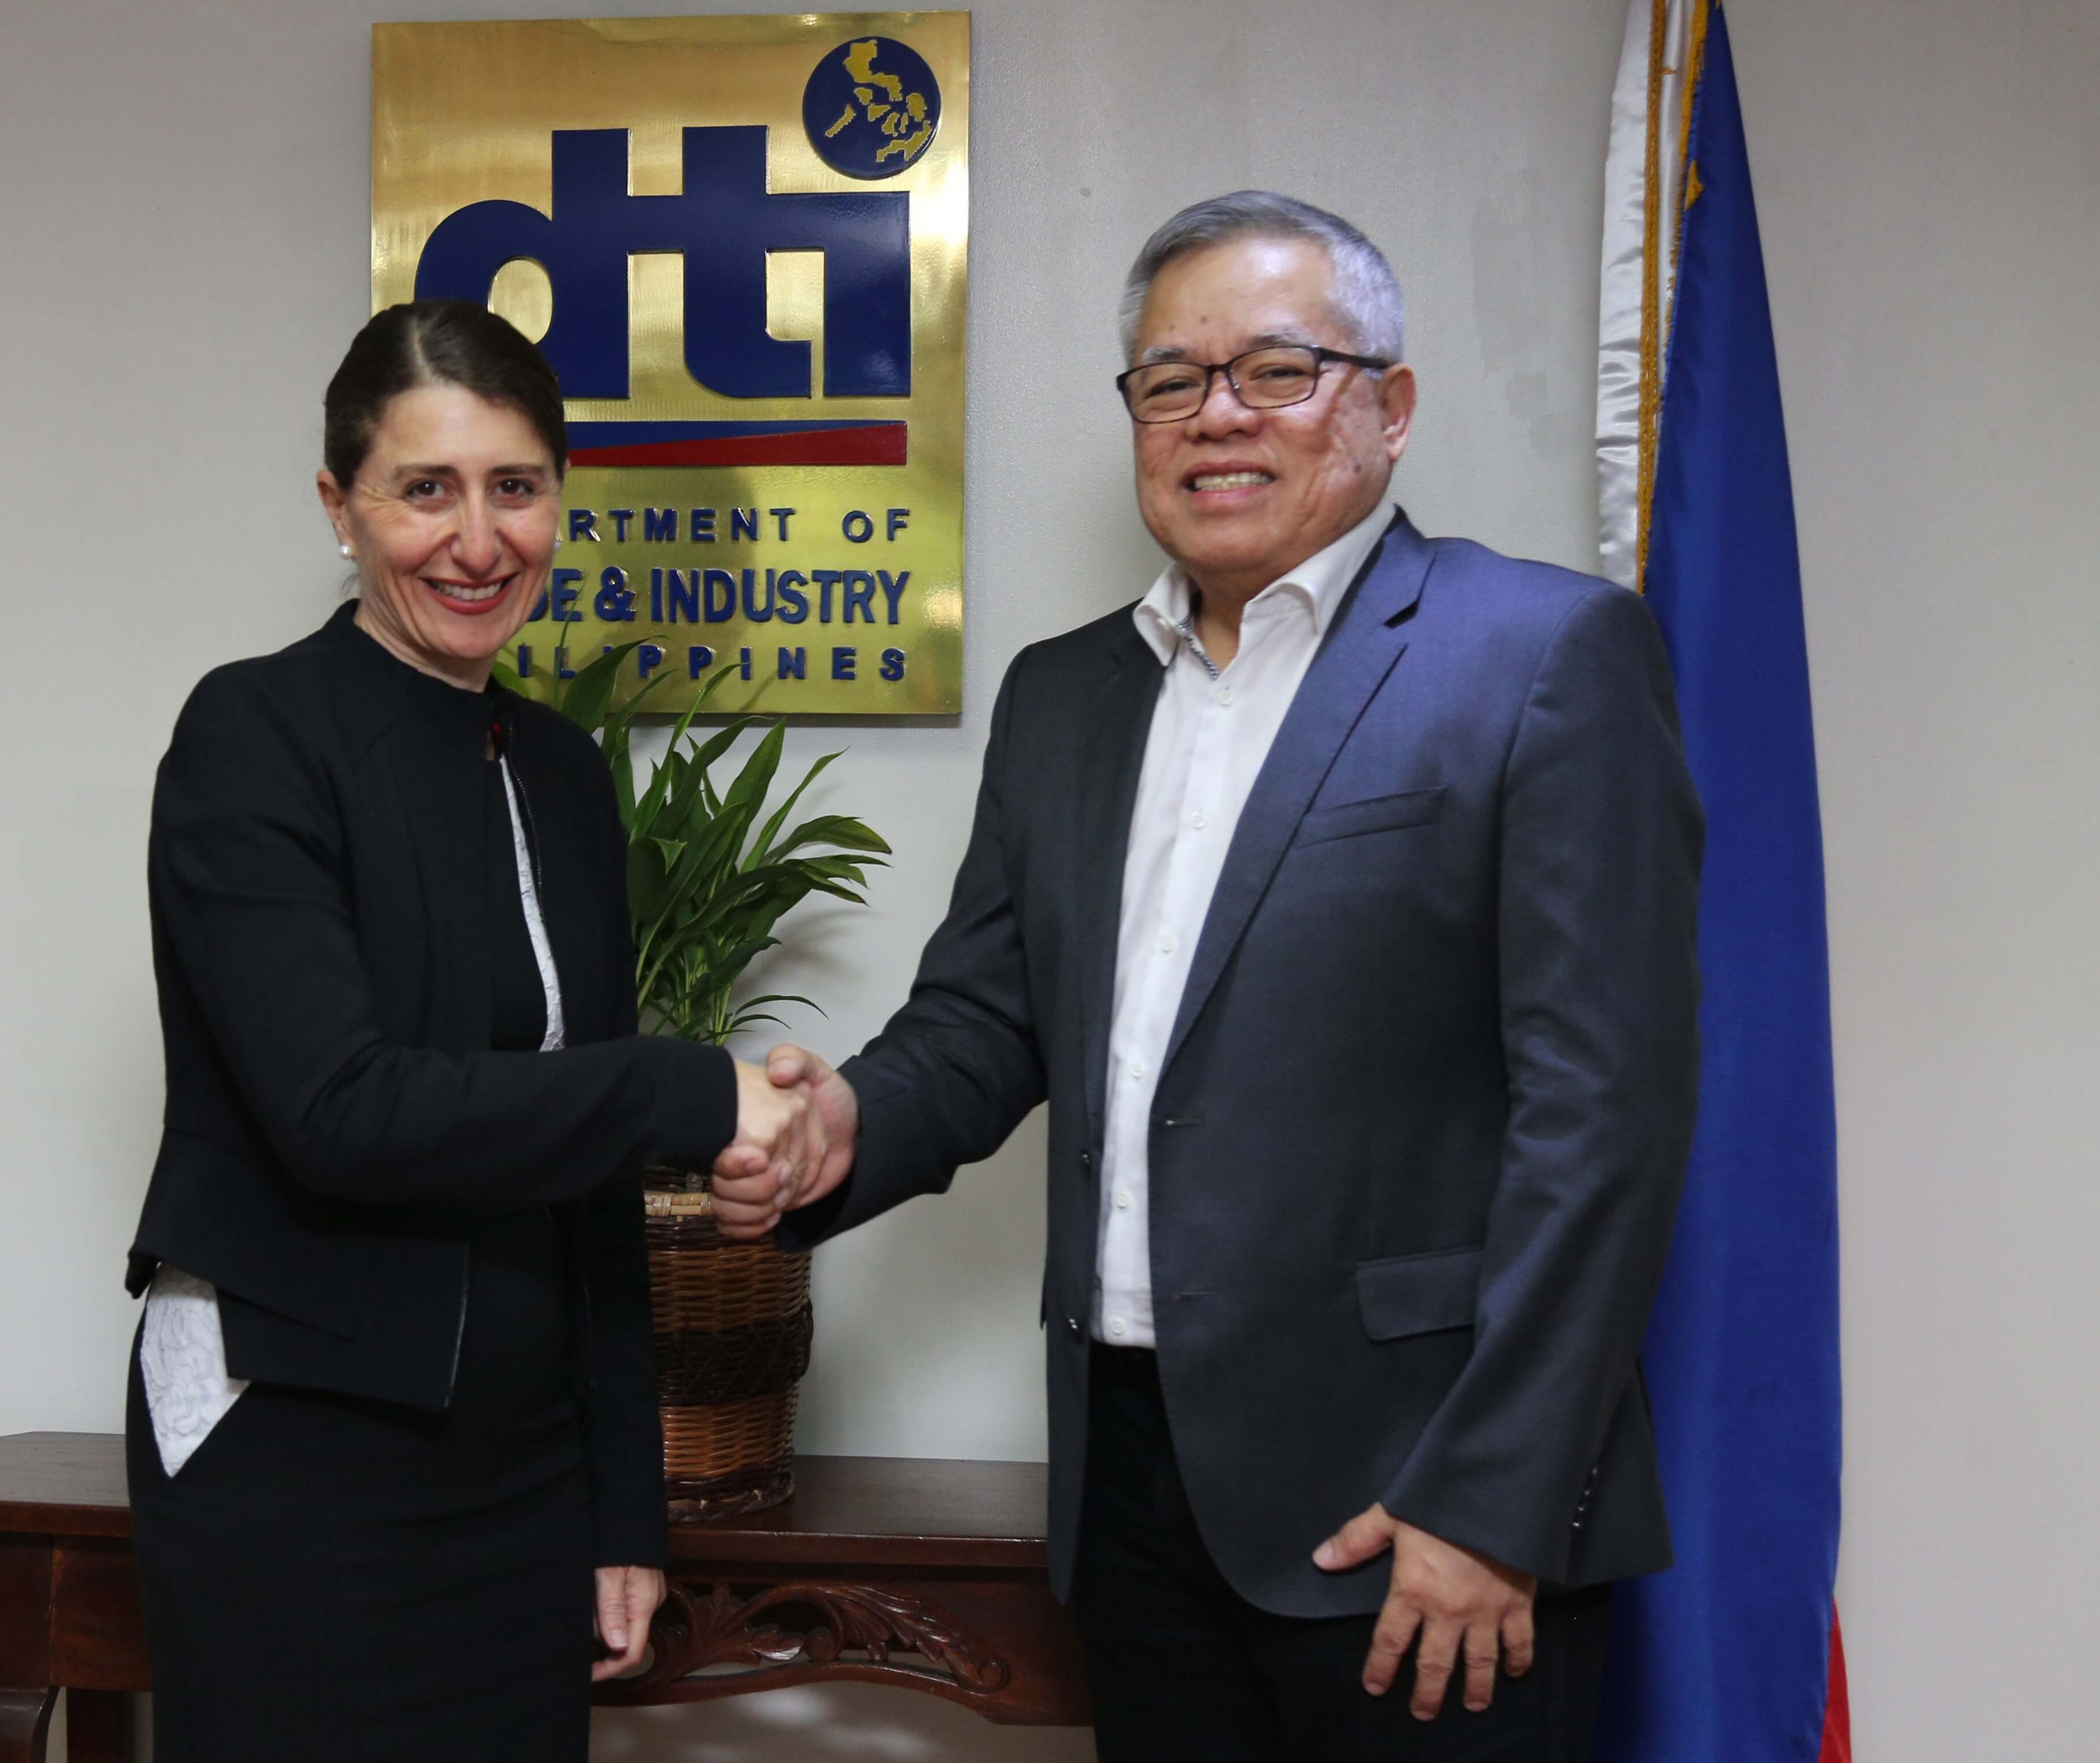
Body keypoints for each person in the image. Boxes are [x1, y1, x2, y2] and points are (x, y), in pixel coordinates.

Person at [722, 193, 1703, 1760]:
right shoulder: (1063, 695)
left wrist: (1493, 1495)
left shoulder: (1543, 654)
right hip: (1128, 1489)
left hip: (1418, 1502)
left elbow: (1606, 1117)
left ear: (1389, 405)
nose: (1218, 414)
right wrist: (845, 1122)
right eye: (1171, 380)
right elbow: (983, 1019)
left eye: (1276, 368)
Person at [121, 299, 818, 1761]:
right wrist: (686, 1089)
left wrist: (622, 1503)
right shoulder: (252, 735)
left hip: (519, 1479)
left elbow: (589, 1190)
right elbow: (342, 1112)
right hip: (291, 1448)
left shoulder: (561, 771)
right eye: (423, 489)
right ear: (339, 505)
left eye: (515, 487)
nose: (478, 540)